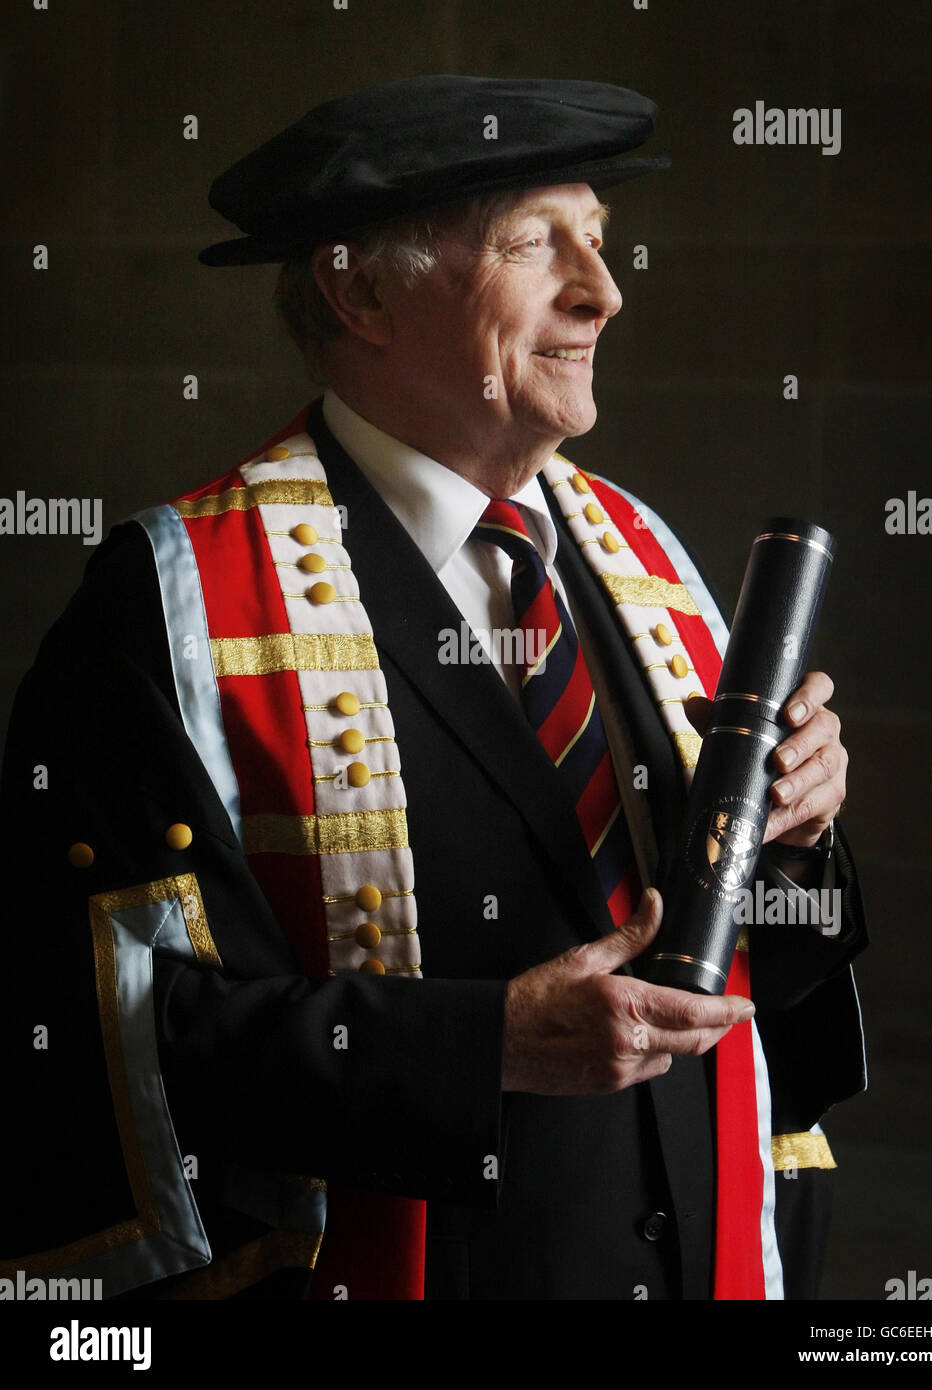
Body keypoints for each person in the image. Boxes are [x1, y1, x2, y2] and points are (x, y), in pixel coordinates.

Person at [0, 75, 865, 1302]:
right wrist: (482, 1048)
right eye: (533, 243)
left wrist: (794, 844)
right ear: (358, 290)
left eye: (599, 241)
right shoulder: (166, 602)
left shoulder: (647, 557)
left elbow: (755, 980)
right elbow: (105, 1043)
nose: (601, 290)